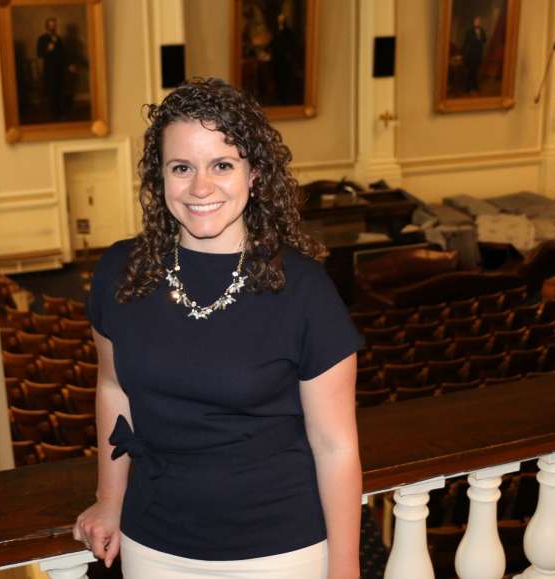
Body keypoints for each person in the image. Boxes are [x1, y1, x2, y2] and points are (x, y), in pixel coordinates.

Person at [73, 78, 364, 579]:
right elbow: (113, 389)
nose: (200, 187)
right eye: (181, 167)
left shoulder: (304, 291)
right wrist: (108, 500)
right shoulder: (121, 273)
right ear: (159, 178)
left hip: (280, 551)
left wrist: (345, 569)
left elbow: (336, 445)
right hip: (155, 544)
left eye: (221, 165)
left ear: (254, 175)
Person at [36, 18, 69, 120]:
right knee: (52, 91)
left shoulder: (58, 38)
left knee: (60, 90)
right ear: (47, 26)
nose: (53, 27)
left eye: (54, 25)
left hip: (59, 69)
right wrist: (48, 49)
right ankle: (53, 114)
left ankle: (60, 113)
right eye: (51, 25)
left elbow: (63, 54)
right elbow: (39, 54)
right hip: (49, 69)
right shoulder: (42, 39)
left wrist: (68, 65)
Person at [461, 16, 487, 94]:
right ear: (473, 22)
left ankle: (475, 87)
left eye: (479, 21)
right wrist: (463, 53)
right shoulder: (469, 30)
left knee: (475, 71)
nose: (477, 22)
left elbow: (485, 40)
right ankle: (467, 88)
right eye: (476, 21)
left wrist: (480, 37)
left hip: (478, 54)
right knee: (470, 71)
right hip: (471, 54)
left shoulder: (481, 30)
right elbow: (466, 42)